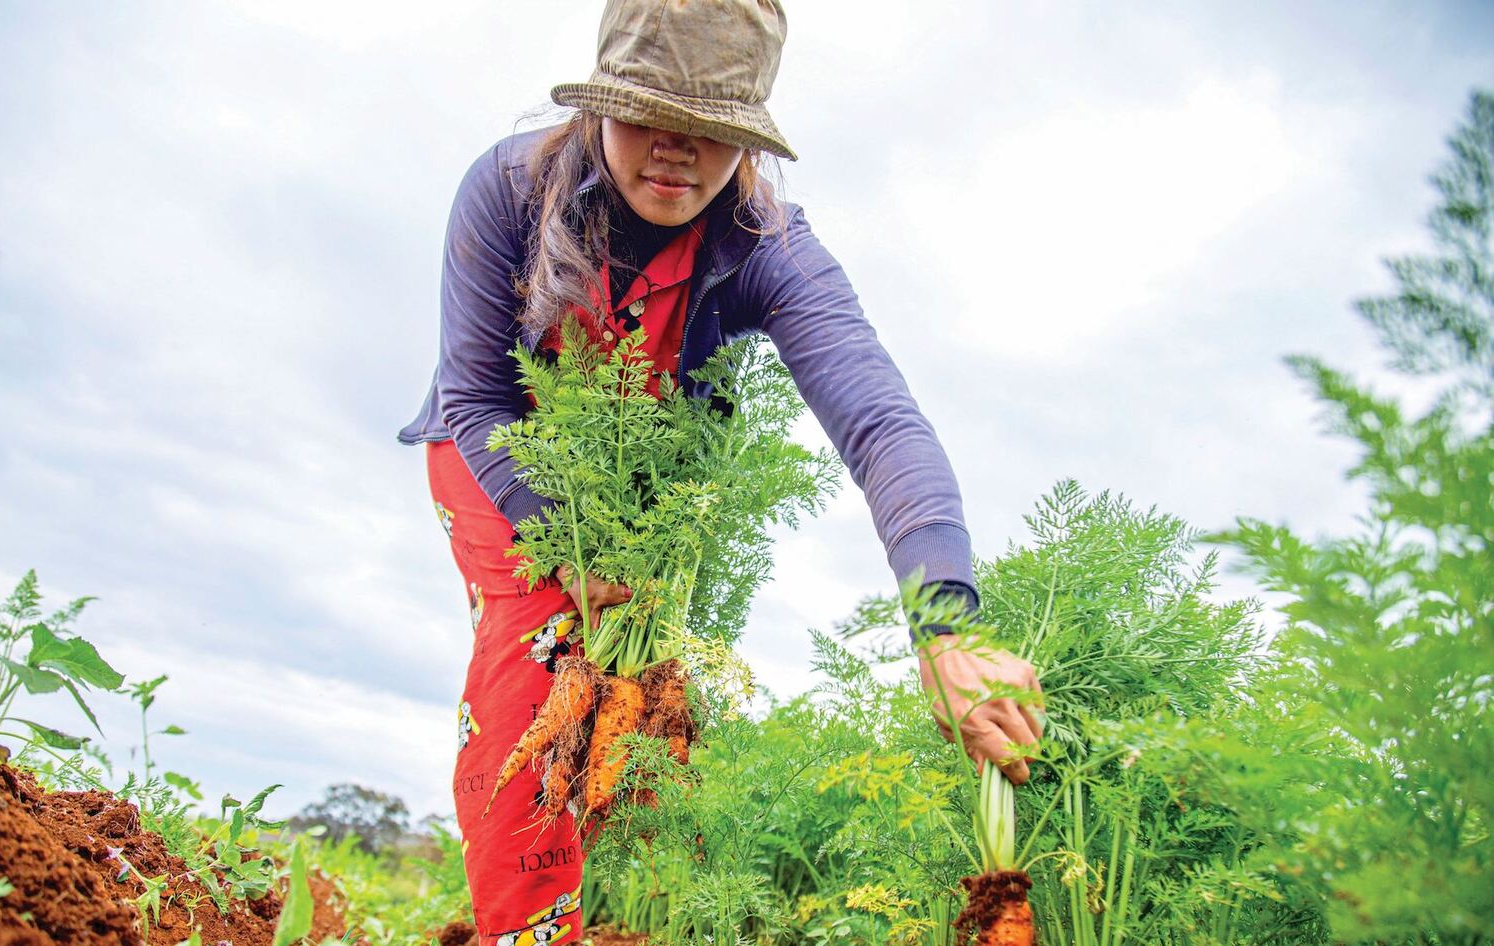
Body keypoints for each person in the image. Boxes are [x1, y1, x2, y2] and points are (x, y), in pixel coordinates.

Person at [397, 1, 1044, 940]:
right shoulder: (507, 188)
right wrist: (566, 549)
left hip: (643, 494)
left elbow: (879, 422)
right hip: (500, 458)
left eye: (713, 132)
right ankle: (525, 926)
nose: (677, 151)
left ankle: (635, 916)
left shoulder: (770, 246)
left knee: (646, 708)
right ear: (597, 109)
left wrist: (945, 625)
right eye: (648, 116)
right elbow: (477, 396)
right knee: (538, 657)